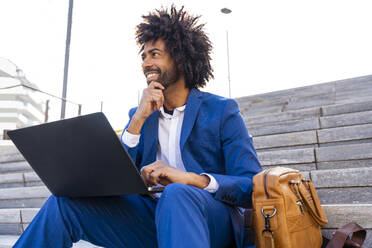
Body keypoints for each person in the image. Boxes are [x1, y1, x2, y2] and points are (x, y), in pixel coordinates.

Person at [14, 6, 261, 248]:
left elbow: (249, 183)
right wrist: (137, 121)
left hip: (211, 223)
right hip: (152, 219)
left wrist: (189, 179)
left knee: (177, 194)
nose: (145, 63)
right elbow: (113, 177)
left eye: (154, 54)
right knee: (64, 203)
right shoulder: (141, 115)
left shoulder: (221, 111)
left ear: (180, 56)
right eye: (143, 56)